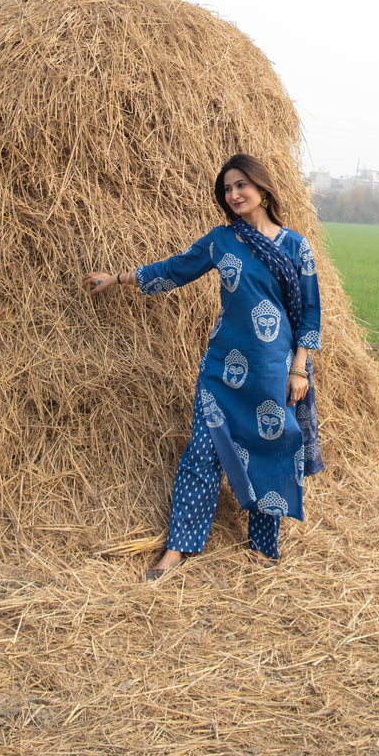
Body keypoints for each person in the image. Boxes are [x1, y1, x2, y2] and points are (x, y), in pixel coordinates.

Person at [82, 154, 322, 578]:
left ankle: (263, 547)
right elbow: (175, 270)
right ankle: (178, 548)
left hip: (272, 370)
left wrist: (299, 368)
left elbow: (310, 313)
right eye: (227, 189)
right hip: (222, 371)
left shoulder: (294, 246)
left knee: (268, 451)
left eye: (241, 186)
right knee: (201, 454)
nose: (234, 195)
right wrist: (118, 278)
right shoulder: (221, 241)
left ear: (262, 189)